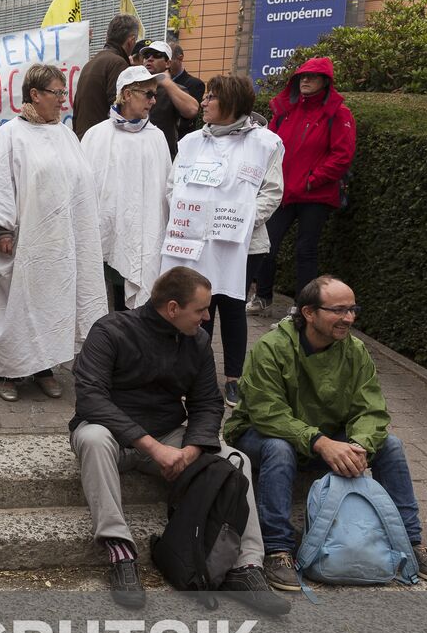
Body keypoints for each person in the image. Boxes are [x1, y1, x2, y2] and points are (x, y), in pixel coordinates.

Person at [70, 266, 288, 614]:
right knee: (93, 439)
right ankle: (121, 553)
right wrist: (153, 448)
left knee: (237, 461)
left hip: (172, 435)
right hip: (113, 435)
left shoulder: (197, 340)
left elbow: (207, 403)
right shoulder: (111, 330)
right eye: (200, 310)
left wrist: (192, 448)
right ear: (173, 308)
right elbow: (90, 399)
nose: (206, 318)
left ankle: (247, 566)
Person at [225, 275, 427, 590]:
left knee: (390, 445)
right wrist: (320, 442)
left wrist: (358, 445)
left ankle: (411, 542)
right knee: (279, 447)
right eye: (338, 310)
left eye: (352, 309)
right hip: (262, 435)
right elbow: (268, 413)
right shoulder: (272, 347)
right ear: (308, 312)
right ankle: (277, 550)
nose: (349, 317)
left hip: (325, 438)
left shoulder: (355, 350)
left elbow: (371, 409)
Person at [0, 63, 105, 403]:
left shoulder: (66, 136)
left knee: (52, 307)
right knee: (18, 307)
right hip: (24, 242)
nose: (63, 101)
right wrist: (1, 231)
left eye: (63, 93)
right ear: (35, 94)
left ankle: (44, 367)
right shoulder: (9, 137)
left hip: (61, 245)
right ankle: (7, 371)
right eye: (57, 93)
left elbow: (81, 185)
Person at [159, 74, 283, 408]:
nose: (203, 102)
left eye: (211, 97)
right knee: (198, 309)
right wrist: (193, 219)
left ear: (230, 103)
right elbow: (174, 186)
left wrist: (238, 225)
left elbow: (271, 192)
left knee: (231, 308)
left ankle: (233, 379)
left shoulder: (265, 143)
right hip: (194, 242)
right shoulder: (191, 142)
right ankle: (193, 376)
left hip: (243, 245)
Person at [247, 57, 357, 316]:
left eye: (312, 77)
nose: (305, 81)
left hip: (315, 195)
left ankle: (301, 307)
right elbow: (267, 145)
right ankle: (262, 297)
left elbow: (342, 155)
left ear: (325, 82)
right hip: (285, 192)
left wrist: (311, 180)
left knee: (305, 251)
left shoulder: (339, 113)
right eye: (301, 77)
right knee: (265, 246)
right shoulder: (286, 109)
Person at [80, 65, 171, 312]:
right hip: (109, 234)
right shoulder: (96, 136)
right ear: (128, 94)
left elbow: (164, 189)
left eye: (155, 94)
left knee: (138, 305)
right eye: (148, 94)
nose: (153, 101)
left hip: (144, 234)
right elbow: (85, 188)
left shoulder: (156, 137)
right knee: (106, 299)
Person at [73, 15, 140, 138]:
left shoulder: (90, 63)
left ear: (107, 37)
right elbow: (120, 111)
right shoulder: (118, 64)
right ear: (131, 41)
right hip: (104, 144)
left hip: (84, 141)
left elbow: (76, 109)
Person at [138, 41, 201, 160]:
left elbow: (192, 110)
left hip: (163, 156)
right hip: (136, 153)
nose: (150, 59)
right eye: (147, 56)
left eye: (156, 55)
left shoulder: (174, 89)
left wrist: (166, 82)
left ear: (168, 63)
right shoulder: (133, 86)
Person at [168, 44, 205, 140]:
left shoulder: (195, 84)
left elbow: (186, 120)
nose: (166, 63)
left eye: (168, 59)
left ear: (180, 58)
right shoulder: (156, 82)